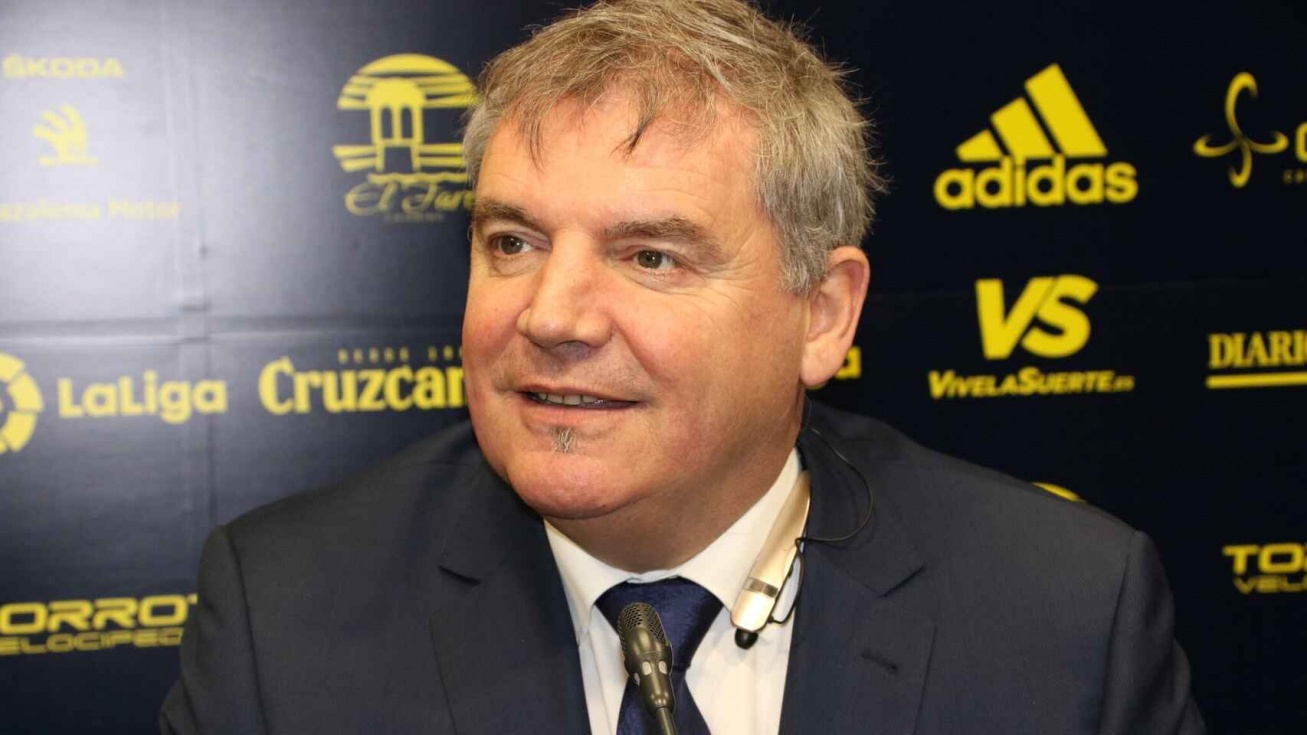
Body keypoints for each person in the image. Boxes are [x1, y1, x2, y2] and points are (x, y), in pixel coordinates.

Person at [160, 0, 1205, 733]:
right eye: (512, 242)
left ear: (821, 314)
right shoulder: (282, 620)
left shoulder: (1063, 613)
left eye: (650, 256)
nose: (551, 315)